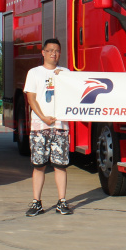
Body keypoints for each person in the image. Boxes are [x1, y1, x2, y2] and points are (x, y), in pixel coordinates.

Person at [23, 39, 73, 216]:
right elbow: (31, 99)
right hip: (39, 127)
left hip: (60, 127)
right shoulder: (34, 73)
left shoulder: (66, 73)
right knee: (39, 165)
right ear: (43, 52)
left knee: (60, 165)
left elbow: (74, 96)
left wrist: (64, 78)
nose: (54, 53)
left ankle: (62, 201)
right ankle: (36, 202)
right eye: (50, 50)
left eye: (57, 51)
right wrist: (43, 117)